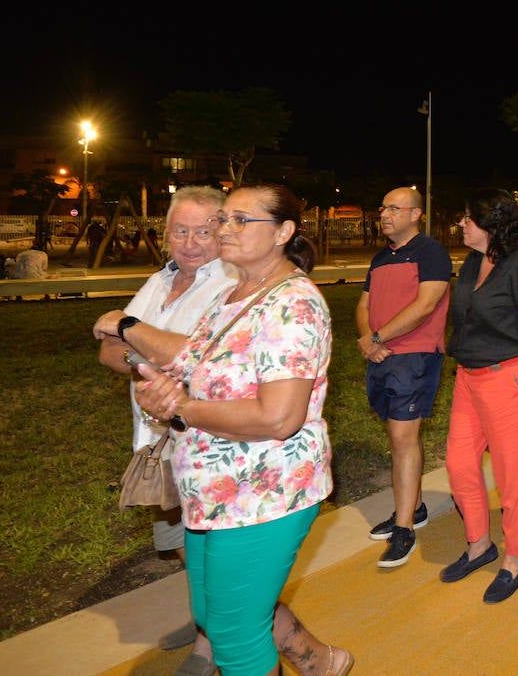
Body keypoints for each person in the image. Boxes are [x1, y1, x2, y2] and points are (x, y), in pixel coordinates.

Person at [98, 183, 352, 676]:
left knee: (236, 638)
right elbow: (191, 360)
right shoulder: (236, 293)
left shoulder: (291, 303)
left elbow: (279, 417)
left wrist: (182, 408)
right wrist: (143, 357)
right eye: (224, 220)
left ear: (283, 232)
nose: (224, 230)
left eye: (241, 220)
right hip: (214, 490)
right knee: (214, 616)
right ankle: (322, 663)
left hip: (264, 493)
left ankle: (317, 661)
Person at [92, 185, 235, 673]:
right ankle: (206, 617)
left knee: (212, 551)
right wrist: (147, 348)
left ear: (224, 230)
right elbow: (108, 351)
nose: (191, 242)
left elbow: (196, 359)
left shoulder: (231, 285)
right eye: (180, 231)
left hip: (207, 444)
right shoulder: (159, 281)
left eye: (204, 230)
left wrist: (135, 338)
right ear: (166, 232)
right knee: (176, 543)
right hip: (155, 442)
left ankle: (211, 643)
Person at [442, 189, 518, 604]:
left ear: (491, 225)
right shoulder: (474, 262)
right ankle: (479, 545)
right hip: (469, 377)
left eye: (467, 218)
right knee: (458, 463)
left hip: (511, 378)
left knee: (511, 476)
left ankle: (515, 558)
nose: (461, 224)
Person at [357, 187, 451, 568]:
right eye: (382, 208)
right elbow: (364, 304)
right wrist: (369, 341)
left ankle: (404, 528)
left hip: (415, 356)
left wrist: (379, 337)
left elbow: (426, 305)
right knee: (401, 437)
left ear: (416, 214)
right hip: (381, 357)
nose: (384, 214)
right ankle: (414, 507)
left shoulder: (431, 252)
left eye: (394, 208)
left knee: (402, 437)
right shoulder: (380, 258)